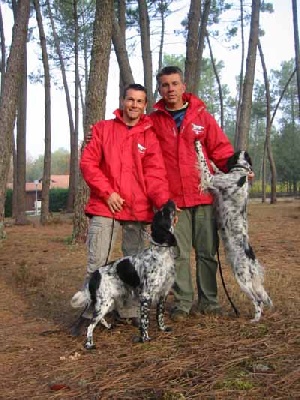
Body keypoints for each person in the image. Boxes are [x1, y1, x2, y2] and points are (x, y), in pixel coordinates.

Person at [71, 83, 170, 334]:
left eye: (139, 101)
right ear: (122, 101)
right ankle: (91, 312)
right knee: (98, 262)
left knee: (135, 266)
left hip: (137, 210)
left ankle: (129, 311)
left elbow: (155, 175)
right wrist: (108, 193)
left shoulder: (149, 135)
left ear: (145, 105)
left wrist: (162, 204)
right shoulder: (103, 129)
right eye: (130, 100)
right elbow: (89, 164)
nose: (134, 105)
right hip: (105, 206)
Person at [148, 66, 235, 321]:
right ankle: (183, 302)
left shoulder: (201, 116)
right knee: (179, 254)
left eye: (175, 83)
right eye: (165, 85)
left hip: (204, 196)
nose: (170, 89)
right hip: (174, 202)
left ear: (183, 86)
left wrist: (239, 168)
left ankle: (209, 301)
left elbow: (220, 150)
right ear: (160, 89)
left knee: (207, 252)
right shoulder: (153, 121)